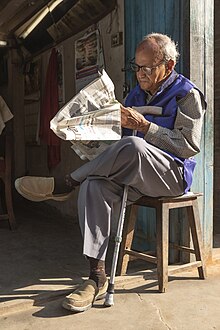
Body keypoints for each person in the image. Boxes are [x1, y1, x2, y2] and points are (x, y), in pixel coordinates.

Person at [15, 33, 206, 312]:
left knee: (134, 145)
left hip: (171, 175)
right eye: (137, 67)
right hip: (135, 172)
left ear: (170, 65)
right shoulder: (135, 94)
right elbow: (120, 141)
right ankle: (96, 277)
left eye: (148, 68)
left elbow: (189, 145)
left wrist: (145, 128)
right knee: (95, 185)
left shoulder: (187, 94)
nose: (141, 74)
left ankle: (67, 182)